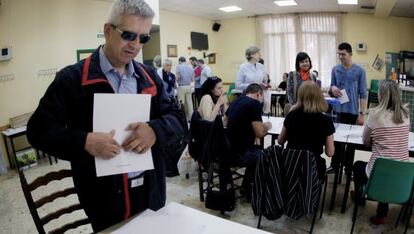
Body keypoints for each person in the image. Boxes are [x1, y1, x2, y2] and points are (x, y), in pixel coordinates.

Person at [26, 0, 187, 232]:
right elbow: (38, 131)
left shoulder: (150, 77)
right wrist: (84, 141)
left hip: (151, 190)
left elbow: (177, 118)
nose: (135, 45)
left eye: (143, 38)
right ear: (108, 30)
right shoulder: (72, 80)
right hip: (103, 196)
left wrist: (155, 130)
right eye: (128, 35)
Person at [352, 80, 410, 225]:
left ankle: (361, 198)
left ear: (381, 95)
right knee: (388, 167)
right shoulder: (406, 114)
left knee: (358, 166)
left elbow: (365, 141)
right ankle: (381, 214)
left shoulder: (375, 115)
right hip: (403, 176)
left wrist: (376, 141)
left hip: (378, 174)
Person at [278, 81, 335, 179]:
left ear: (300, 97)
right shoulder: (326, 121)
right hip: (312, 167)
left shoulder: (291, 116)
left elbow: (280, 140)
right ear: (319, 96)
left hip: (290, 165)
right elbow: (330, 153)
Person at [226, 83, 272, 199]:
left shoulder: (236, 101)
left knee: (257, 151)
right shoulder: (254, 104)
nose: (261, 101)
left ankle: (246, 187)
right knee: (265, 154)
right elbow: (260, 133)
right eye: (262, 98)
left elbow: (225, 121)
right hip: (240, 153)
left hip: (227, 148)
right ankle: (250, 189)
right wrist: (267, 125)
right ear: (258, 94)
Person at [328, 42, 367, 173]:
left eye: (343, 54)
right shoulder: (335, 69)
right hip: (337, 111)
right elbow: (331, 87)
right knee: (337, 140)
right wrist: (332, 88)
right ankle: (335, 166)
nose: (341, 57)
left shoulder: (360, 71)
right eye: (339, 54)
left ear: (350, 54)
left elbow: (363, 94)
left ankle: (348, 168)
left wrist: (362, 114)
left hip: (352, 112)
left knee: (351, 143)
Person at [236, 46, 271, 113]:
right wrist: (254, 85)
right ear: (251, 54)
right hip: (248, 98)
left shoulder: (261, 66)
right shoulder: (243, 67)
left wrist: (265, 83)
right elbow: (237, 85)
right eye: (258, 53)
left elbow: (263, 80)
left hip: (260, 97)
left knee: (259, 118)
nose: (260, 55)